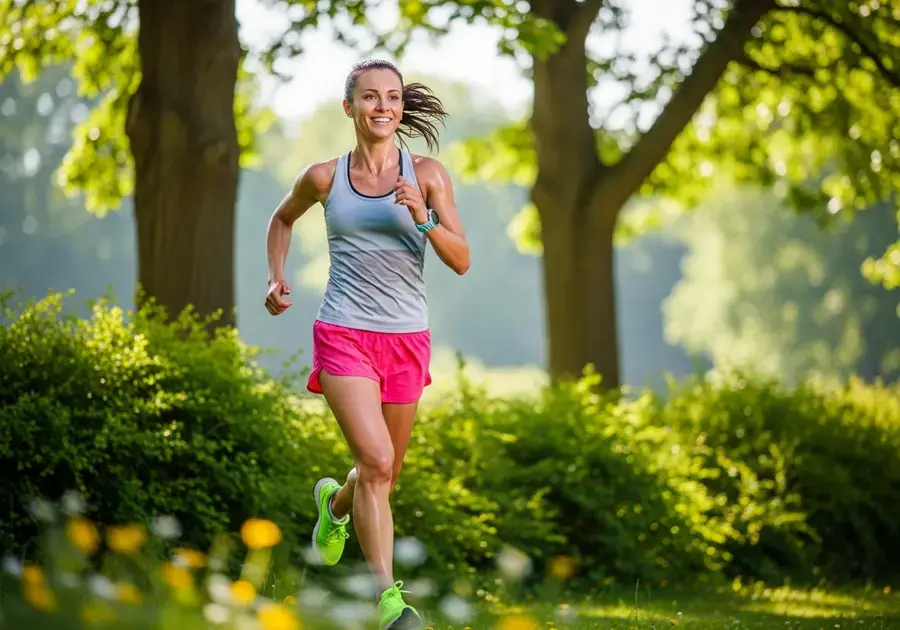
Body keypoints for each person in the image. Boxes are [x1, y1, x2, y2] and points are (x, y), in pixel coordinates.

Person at [264, 59, 470, 629]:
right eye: (371, 97)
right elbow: (281, 220)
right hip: (344, 334)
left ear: (402, 107)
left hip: (407, 340)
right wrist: (275, 277)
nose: (383, 107)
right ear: (349, 107)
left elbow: (461, 260)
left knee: (380, 474)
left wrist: (423, 216)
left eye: (393, 98)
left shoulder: (427, 174)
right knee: (376, 460)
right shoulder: (324, 178)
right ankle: (390, 603)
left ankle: (334, 508)